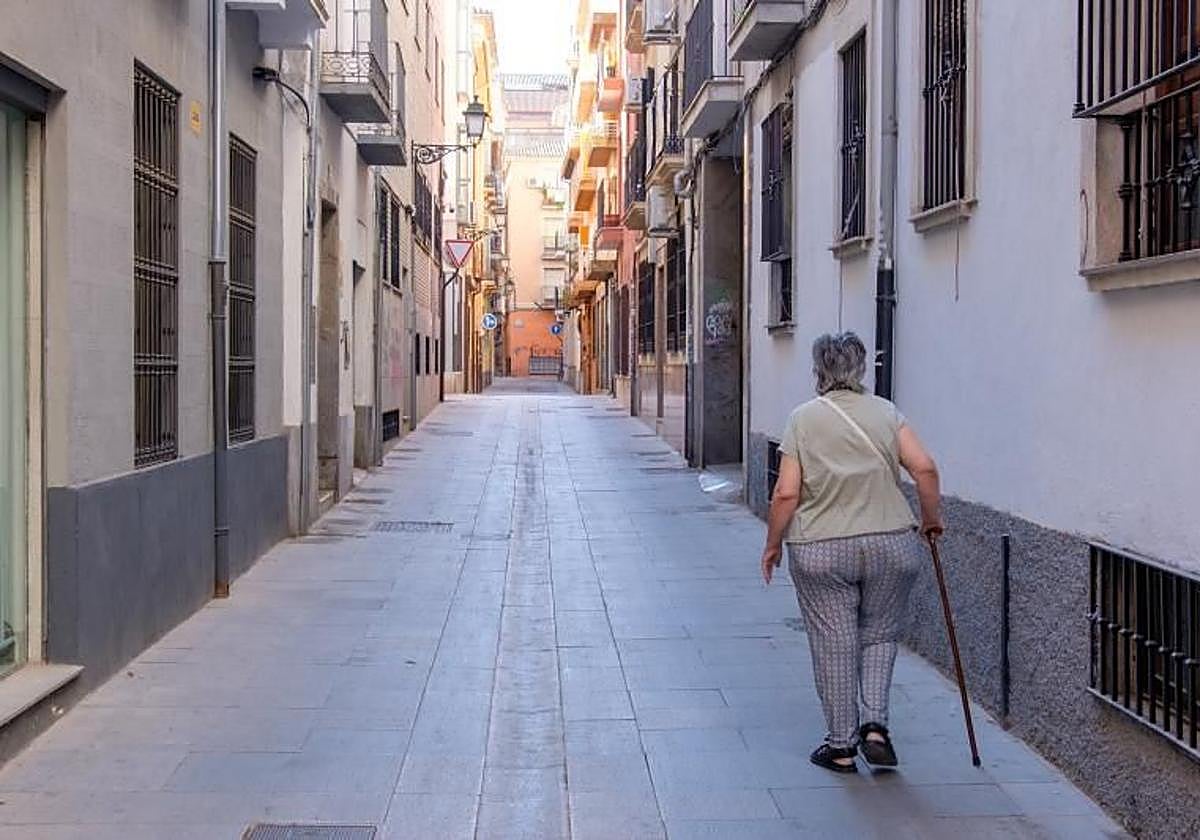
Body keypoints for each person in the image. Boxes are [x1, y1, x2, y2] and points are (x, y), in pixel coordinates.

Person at [760, 332, 943, 774]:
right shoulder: (886, 413)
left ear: (818, 370)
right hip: (890, 543)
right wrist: (931, 518)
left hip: (822, 547)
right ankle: (875, 726)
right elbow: (924, 468)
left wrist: (772, 545)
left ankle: (841, 745)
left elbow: (786, 493)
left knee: (834, 643)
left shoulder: (803, 419)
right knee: (880, 634)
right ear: (860, 368)